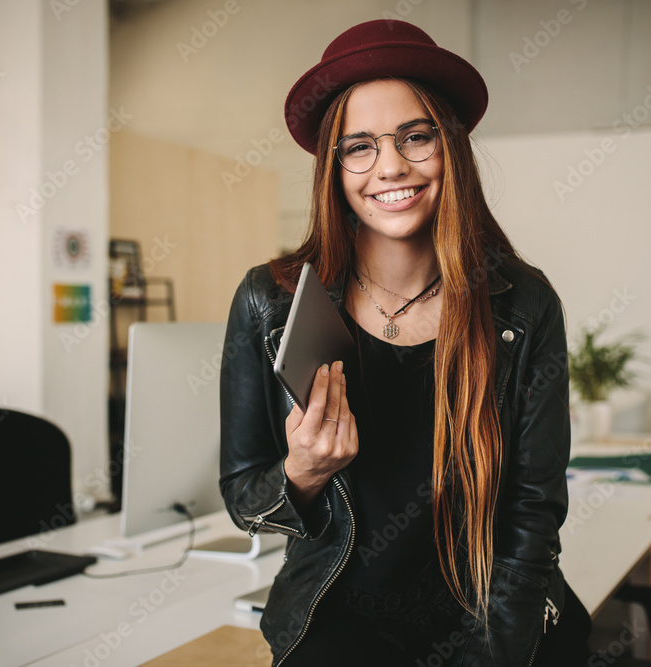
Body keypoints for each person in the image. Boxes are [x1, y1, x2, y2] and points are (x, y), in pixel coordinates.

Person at [220, 20, 590, 666]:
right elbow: (243, 494)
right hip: (338, 622)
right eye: (358, 146)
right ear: (333, 168)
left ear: (449, 145)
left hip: (485, 624)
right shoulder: (270, 302)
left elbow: (534, 523)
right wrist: (302, 475)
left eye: (415, 137)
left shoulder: (525, 306)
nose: (390, 165)